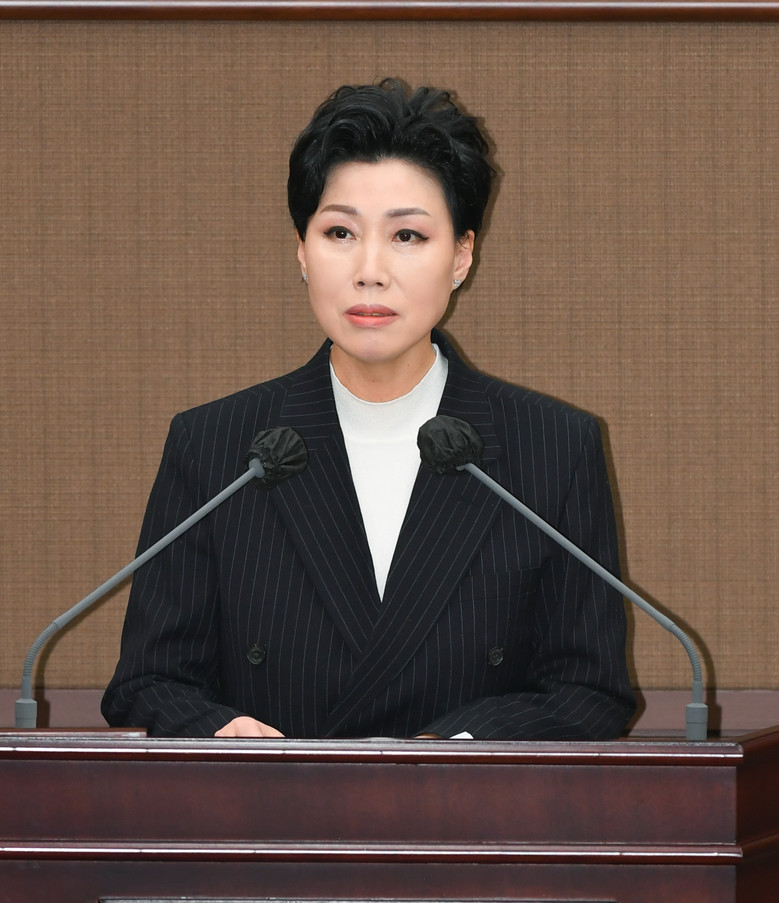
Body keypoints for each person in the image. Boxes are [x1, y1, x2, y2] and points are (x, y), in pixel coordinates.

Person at [102, 79, 636, 740]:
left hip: (463, 805)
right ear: (302, 250)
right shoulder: (215, 445)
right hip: (274, 803)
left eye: (408, 235)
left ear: (461, 255)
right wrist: (224, 731)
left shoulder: (552, 447)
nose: (370, 270)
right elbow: (148, 682)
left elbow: (588, 690)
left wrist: (454, 751)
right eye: (339, 232)